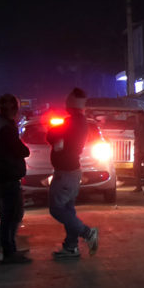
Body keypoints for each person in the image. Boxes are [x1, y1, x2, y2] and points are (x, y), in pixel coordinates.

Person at [47, 88, 99, 259]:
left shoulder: (72, 122)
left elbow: (50, 135)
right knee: (68, 210)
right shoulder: (80, 122)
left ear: (70, 105)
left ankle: (87, 233)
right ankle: (71, 247)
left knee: (57, 209)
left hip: (66, 172)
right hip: (72, 171)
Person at [0, 94, 31, 264]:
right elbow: (21, 150)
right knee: (12, 214)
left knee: (10, 214)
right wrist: (24, 150)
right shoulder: (6, 127)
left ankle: (10, 249)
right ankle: (9, 252)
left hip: (3, 174)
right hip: (8, 175)